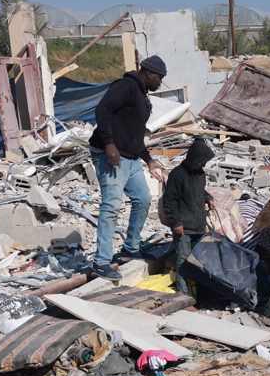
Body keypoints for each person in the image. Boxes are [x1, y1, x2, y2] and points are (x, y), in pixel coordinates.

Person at [88, 55, 168, 281]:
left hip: (131, 158)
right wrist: (109, 143)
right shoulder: (126, 86)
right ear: (147, 72)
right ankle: (101, 262)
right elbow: (102, 111)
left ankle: (130, 248)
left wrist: (149, 159)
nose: (160, 82)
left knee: (143, 199)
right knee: (111, 206)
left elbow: (134, 135)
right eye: (159, 77)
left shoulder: (142, 96)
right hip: (111, 155)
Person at [161, 139, 215, 296]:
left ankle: (197, 292)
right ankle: (183, 293)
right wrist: (176, 223)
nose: (203, 165)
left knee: (197, 260)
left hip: (198, 224)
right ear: (194, 159)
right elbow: (169, 201)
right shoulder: (177, 175)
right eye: (201, 161)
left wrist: (208, 198)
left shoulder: (200, 174)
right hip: (184, 227)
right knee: (183, 261)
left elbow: (200, 191)